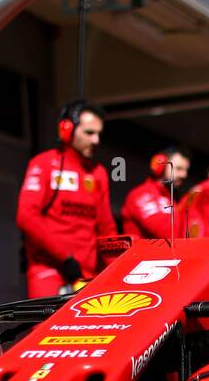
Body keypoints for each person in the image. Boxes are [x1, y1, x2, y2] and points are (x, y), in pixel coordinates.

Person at [16, 100, 117, 297]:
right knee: (45, 328)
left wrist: (119, 269)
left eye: (99, 134)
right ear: (67, 130)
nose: (96, 140)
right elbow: (26, 216)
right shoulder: (43, 164)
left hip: (86, 276)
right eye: (89, 133)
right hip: (48, 272)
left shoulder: (99, 173)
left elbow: (106, 228)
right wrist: (65, 257)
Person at [120, 147, 191, 239]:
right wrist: (190, 201)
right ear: (160, 166)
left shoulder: (171, 197)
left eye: (186, 170)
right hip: (142, 253)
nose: (184, 175)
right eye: (178, 168)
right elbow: (168, 234)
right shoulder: (141, 195)